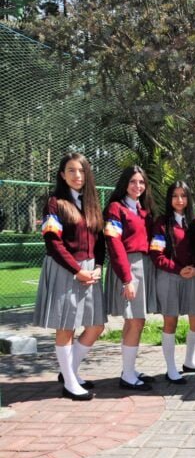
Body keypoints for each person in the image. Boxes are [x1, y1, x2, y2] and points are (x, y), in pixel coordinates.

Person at [33, 153, 106, 401]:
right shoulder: (54, 204)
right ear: (62, 175)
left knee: (96, 325)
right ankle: (70, 383)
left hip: (90, 271)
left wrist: (98, 265)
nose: (77, 176)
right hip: (66, 269)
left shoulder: (91, 203)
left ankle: (68, 372)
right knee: (66, 327)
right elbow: (53, 243)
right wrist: (77, 270)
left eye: (82, 171)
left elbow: (100, 242)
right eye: (72, 171)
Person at [104, 165, 157, 391]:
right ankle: (127, 375)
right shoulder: (116, 208)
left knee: (136, 320)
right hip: (128, 266)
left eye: (142, 182)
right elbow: (114, 245)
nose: (138, 186)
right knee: (135, 320)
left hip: (143, 266)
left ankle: (130, 370)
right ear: (124, 183)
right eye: (133, 181)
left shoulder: (142, 210)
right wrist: (126, 279)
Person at [150, 181, 195, 385]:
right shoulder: (162, 222)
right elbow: (156, 254)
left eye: (183, 195)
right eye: (175, 196)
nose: (180, 200)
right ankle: (171, 368)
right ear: (169, 199)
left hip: (192, 276)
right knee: (170, 322)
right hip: (169, 276)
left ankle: (190, 361)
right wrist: (177, 269)